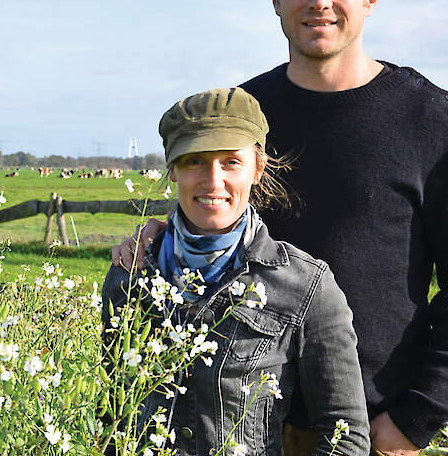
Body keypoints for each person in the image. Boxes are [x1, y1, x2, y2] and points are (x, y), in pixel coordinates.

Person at [112, 0, 448, 456]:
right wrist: (157, 240)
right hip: (240, 426)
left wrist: (415, 420)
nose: (319, 0)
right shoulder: (242, 116)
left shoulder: (432, 120)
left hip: (373, 425)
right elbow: (212, 215)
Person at [102, 87, 370, 456]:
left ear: (257, 169)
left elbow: (347, 436)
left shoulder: (305, 285)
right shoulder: (130, 274)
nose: (213, 181)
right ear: (172, 170)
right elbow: (109, 415)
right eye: (194, 160)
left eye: (230, 162)